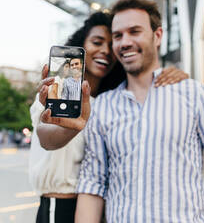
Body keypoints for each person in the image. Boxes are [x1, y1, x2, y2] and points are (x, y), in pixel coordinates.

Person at [74, 0, 204, 223]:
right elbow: (93, 184)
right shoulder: (102, 105)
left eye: (135, 31)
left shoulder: (196, 95)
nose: (124, 42)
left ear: (157, 36)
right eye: (118, 35)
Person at [30, 12, 189, 223]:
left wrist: (177, 76)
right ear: (81, 46)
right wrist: (71, 126)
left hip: (103, 208)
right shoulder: (56, 93)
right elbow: (47, 138)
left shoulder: (112, 101)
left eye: (111, 44)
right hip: (61, 207)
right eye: (97, 42)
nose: (105, 51)